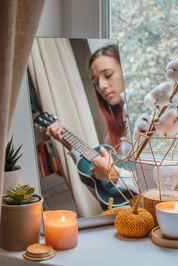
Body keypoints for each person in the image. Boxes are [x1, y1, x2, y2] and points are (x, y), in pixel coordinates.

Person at [46, 44, 138, 198]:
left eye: (107, 75)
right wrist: (71, 146)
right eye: (95, 82)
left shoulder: (148, 123)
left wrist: (114, 174)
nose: (101, 86)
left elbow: (160, 187)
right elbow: (109, 196)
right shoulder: (111, 135)